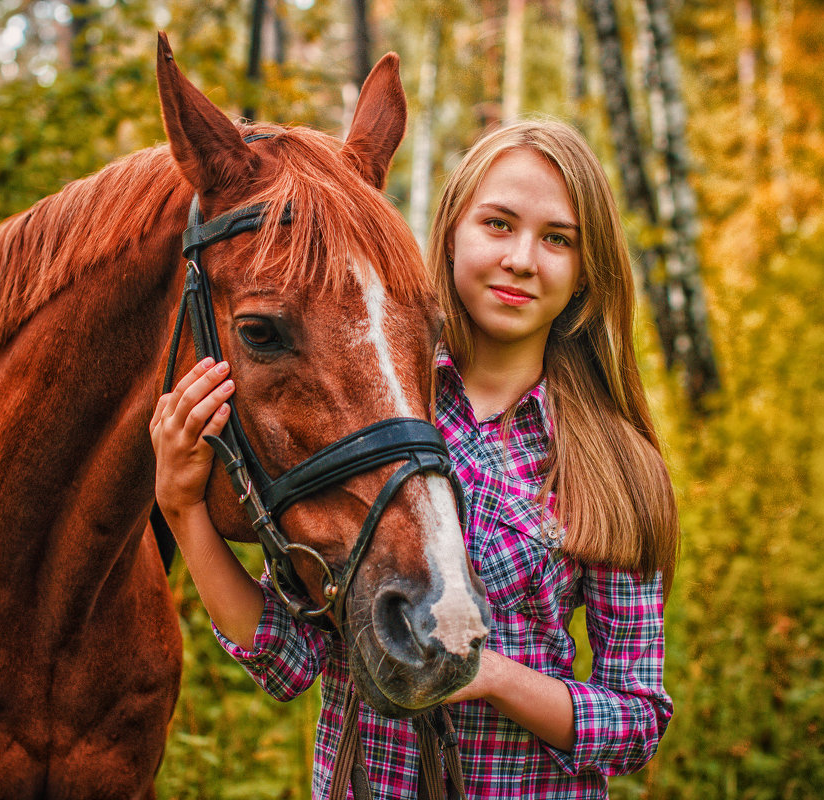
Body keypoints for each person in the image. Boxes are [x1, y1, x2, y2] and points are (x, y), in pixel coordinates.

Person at [150, 119, 679, 799]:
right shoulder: (372, 410)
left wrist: (486, 673)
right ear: (451, 234)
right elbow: (291, 659)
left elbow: (636, 720)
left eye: (557, 239)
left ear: (584, 271)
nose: (521, 257)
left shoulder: (612, 464)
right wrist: (184, 507)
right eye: (497, 223)